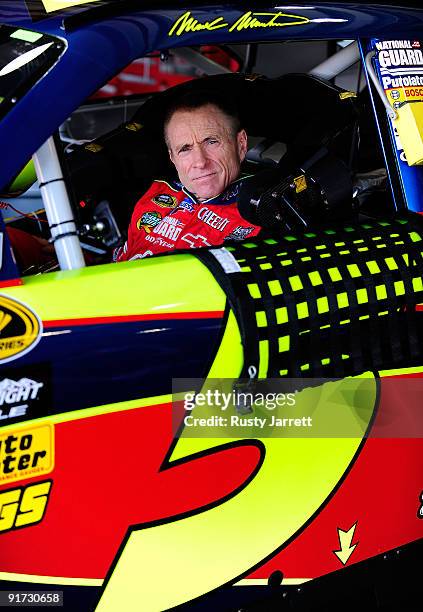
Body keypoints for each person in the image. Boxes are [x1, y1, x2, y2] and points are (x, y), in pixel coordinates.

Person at [114, 91, 261, 261]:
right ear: (172, 158)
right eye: (185, 149)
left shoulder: (265, 210)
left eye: (211, 141)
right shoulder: (157, 193)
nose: (200, 162)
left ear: (241, 144)